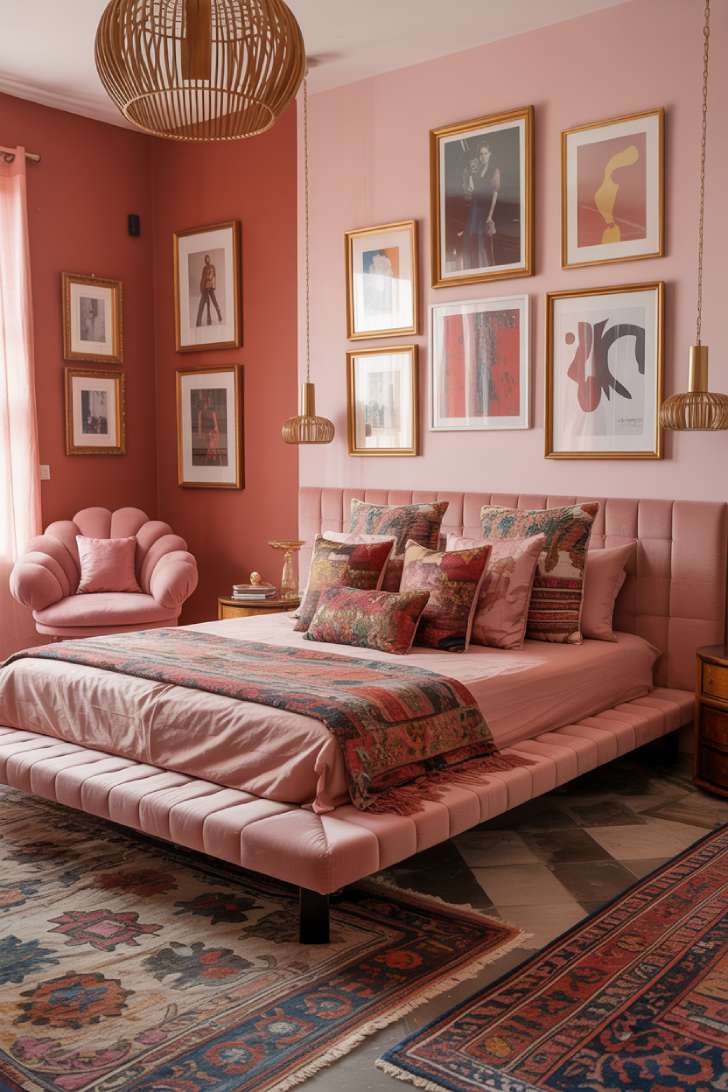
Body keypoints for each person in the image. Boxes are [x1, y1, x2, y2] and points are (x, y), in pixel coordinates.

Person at [463, 143, 501, 269]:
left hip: (485, 210)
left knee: (484, 241)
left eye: (485, 153)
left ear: (490, 154)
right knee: (472, 239)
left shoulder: (494, 170)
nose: (483, 156)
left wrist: (490, 215)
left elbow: (495, 194)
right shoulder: (477, 170)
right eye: (481, 154)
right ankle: (474, 269)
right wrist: (469, 183)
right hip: (474, 209)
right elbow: (471, 189)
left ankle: (487, 269)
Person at [196, 254, 223, 326]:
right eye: (206, 259)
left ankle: (219, 314)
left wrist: (210, 282)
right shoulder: (204, 268)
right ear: (205, 261)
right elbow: (202, 278)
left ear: (210, 259)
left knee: (214, 302)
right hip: (205, 288)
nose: (207, 260)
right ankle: (207, 321)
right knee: (206, 304)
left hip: (210, 287)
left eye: (208, 259)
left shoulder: (212, 267)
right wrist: (201, 287)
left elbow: (211, 277)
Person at [197, 393, 222, 464]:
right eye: (203, 404)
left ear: (207, 405)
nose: (205, 406)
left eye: (206, 404)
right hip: (206, 433)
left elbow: (216, 426)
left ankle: (211, 457)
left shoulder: (212, 412)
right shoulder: (200, 413)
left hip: (213, 432)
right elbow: (200, 425)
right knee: (210, 442)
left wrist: (214, 432)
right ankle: (212, 457)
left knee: (212, 441)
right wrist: (200, 434)